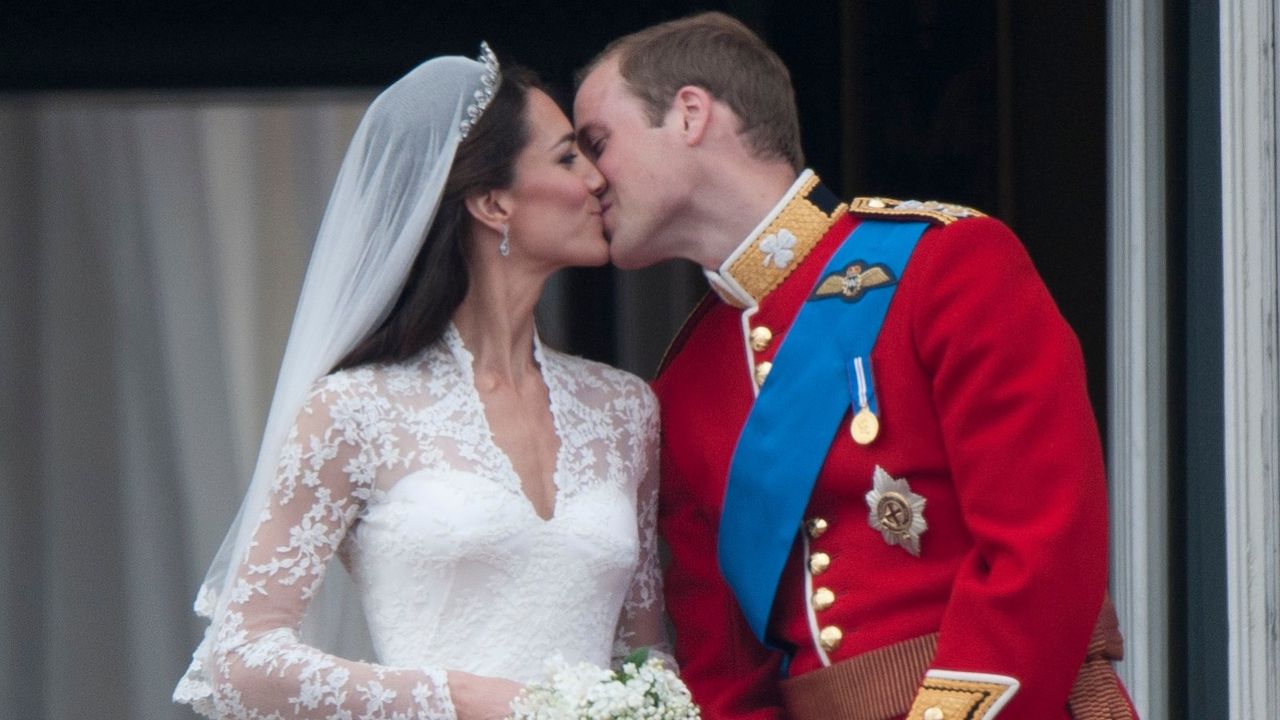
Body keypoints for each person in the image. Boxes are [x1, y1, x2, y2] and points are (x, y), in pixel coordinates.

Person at [574, 12, 1135, 720]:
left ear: (689, 114)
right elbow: (725, 669)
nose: (588, 180)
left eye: (598, 142)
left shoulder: (947, 265)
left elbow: (1044, 553)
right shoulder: (686, 381)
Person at [174, 45, 669, 720]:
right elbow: (236, 662)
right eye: (566, 158)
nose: (596, 180)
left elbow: (644, 654)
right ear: (493, 202)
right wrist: (463, 697)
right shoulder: (354, 410)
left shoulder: (625, 410)